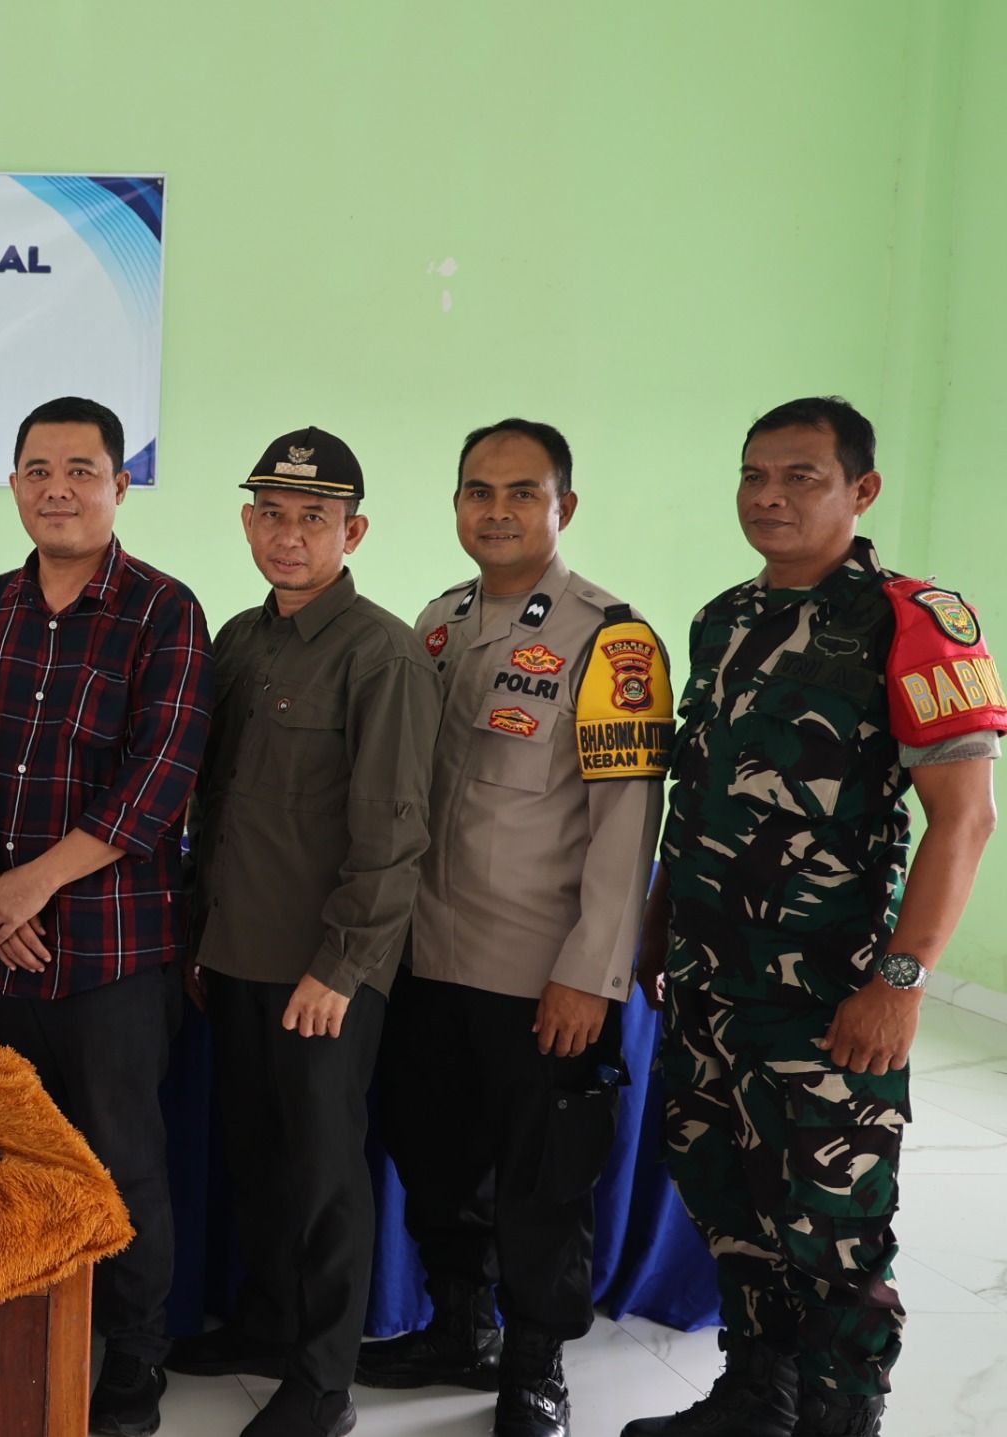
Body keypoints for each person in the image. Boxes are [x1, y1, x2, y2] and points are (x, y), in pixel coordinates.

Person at [624, 398, 1002, 1437]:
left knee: (834, 1232)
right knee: (727, 1198)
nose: (769, 496)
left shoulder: (910, 621)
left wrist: (902, 982)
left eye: (801, 476)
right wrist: (658, 923)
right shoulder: (723, 620)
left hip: (829, 996)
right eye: (755, 475)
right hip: (708, 979)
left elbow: (965, 820)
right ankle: (759, 1394)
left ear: (860, 490)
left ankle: (841, 1416)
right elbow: (697, 796)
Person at [362, 419, 671, 1437]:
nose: (495, 511)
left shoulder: (611, 639)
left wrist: (592, 971)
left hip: (539, 968)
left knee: (545, 1179)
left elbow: (627, 823)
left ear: (562, 507)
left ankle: (536, 1362)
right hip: (426, 954)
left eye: (520, 492)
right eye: (477, 491)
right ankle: (461, 1327)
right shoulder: (437, 622)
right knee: (435, 1155)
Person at [0, 396, 213, 1437]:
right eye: (38, 471)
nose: (58, 489)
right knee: (8, 1156)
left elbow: (159, 778)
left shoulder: (164, 611)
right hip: (0, 948)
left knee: (121, 1159)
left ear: (119, 485)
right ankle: (18, 1332)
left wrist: (31, 886)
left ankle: (134, 1359)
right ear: (13, 484)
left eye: (81, 471)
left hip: (114, 952)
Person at [172, 427, 439, 1437]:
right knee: (256, 1156)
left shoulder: (382, 653)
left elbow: (394, 831)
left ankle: (324, 1382)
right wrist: (200, 936)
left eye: (314, 519)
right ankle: (266, 1324)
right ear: (249, 522)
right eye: (272, 515)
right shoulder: (240, 639)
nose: (289, 536)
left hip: (321, 970)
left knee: (325, 1175)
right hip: (235, 953)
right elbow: (217, 806)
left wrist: (342, 965)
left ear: (351, 532)